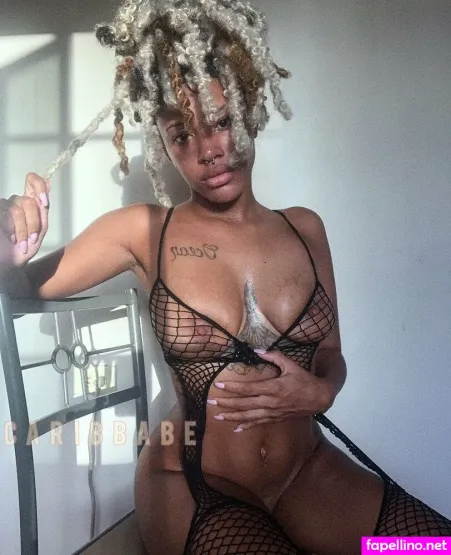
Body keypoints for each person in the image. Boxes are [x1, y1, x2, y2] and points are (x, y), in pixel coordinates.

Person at [0, 1, 450, 553]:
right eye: (181, 135)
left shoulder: (306, 228)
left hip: (307, 473)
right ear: (164, 144)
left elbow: (331, 352)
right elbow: (22, 286)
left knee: (434, 548)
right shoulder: (146, 231)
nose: (209, 150)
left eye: (221, 121)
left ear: (250, 108)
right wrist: (8, 241)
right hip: (196, 481)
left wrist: (322, 391)